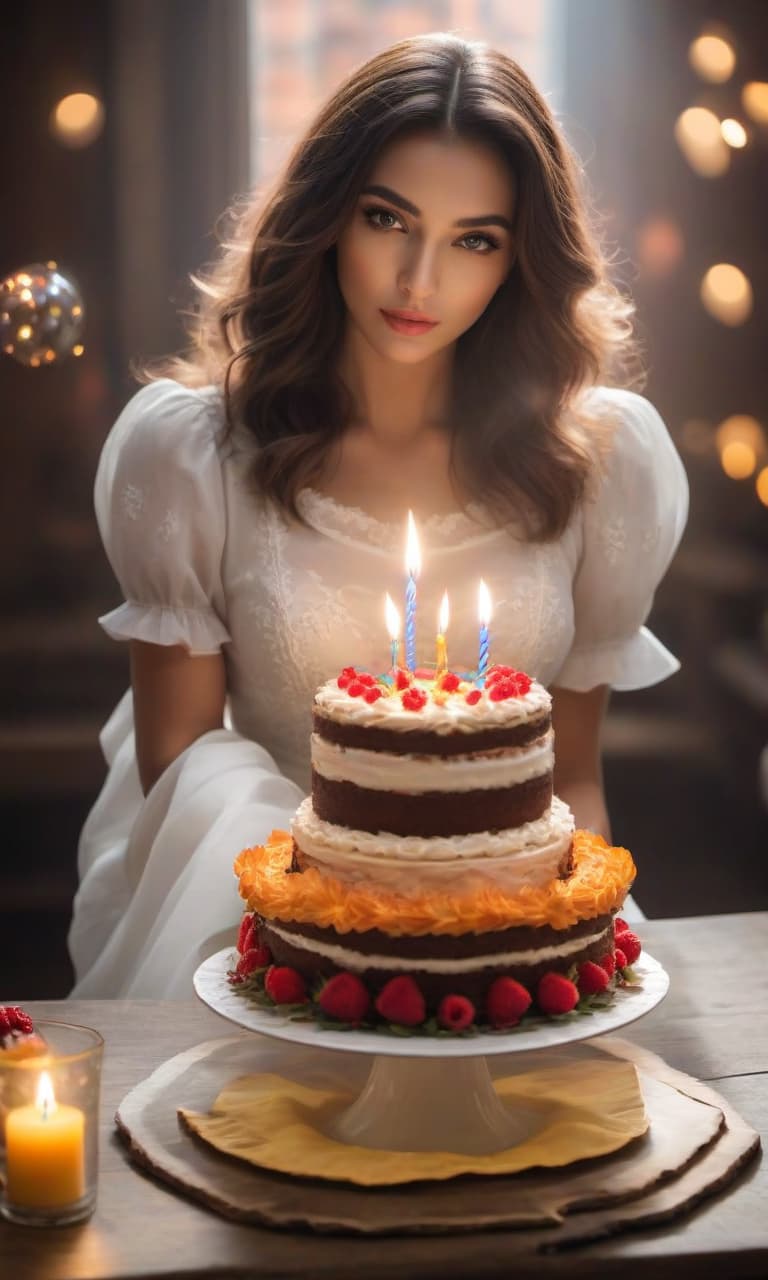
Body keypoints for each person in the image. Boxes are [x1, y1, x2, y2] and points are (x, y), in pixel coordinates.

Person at [68, 32, 688, 998]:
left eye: (474, 239)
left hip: (511, 944)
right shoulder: (195, 455)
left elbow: (572, 781)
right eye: (388, 219)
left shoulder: (595, 466)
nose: (420, 282)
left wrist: (536, 953)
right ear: (327, 216)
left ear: (521, 259)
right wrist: (364, 939)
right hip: (264, 937)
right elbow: (177, 771)